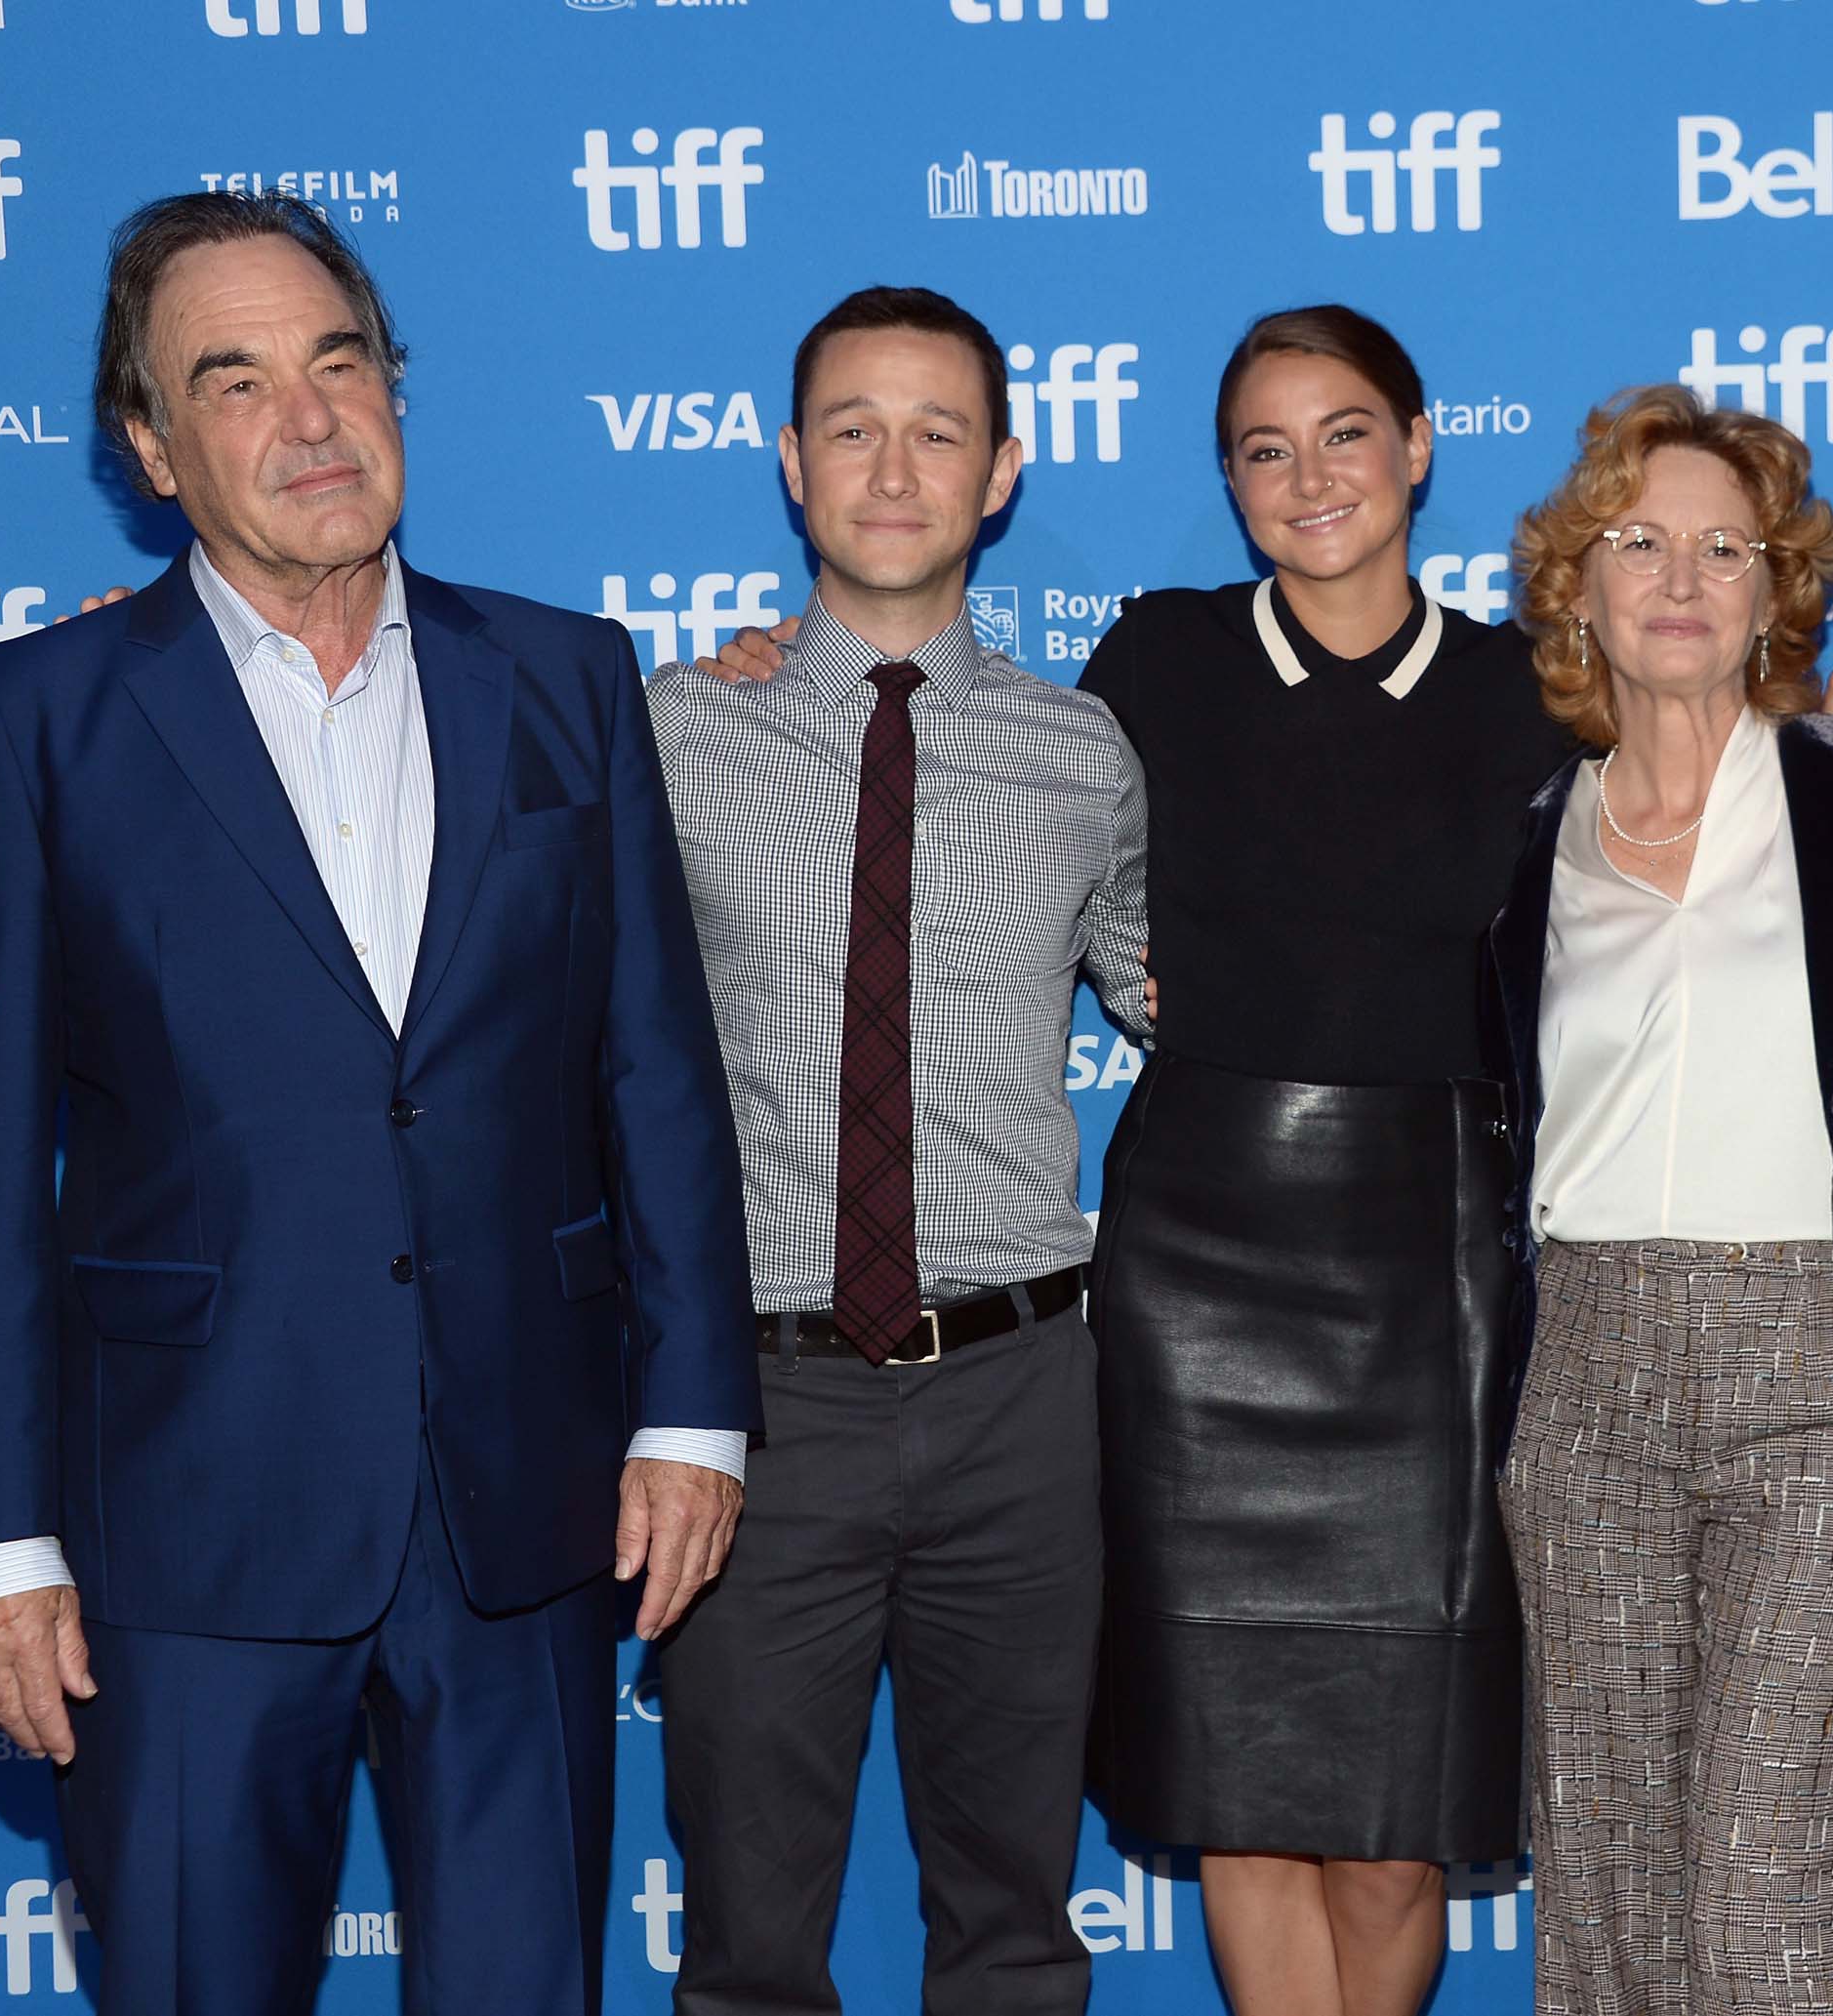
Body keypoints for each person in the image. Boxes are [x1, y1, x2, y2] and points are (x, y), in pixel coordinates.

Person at [0, 191, 755, 2016]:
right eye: (236, 380)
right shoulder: (36, 718)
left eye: (340, 361)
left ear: (394, 390)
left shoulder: (565, 676)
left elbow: (654, 1069)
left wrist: (692, 1416)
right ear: (147, 446)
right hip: (186, 1527)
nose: (310, 420)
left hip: (524, 1507)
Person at [646, 285, 1152, 2016]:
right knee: (748, 1946)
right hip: (757, 1401)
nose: (893, 464)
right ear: (790, 463)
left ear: (1003, 471)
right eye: (852, 425)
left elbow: (1195, 985)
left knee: (1013, 1927)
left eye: (939, 429)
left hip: (1025, 1395)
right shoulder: (671, 731)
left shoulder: (1083, 753)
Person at [1073, 307, 1574, 2016]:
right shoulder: (1157, 658)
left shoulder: (1529, 690)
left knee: (1385, 1816)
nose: (1310, 477)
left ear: (1419, 446)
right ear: (1226, 479)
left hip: (1433, 1267)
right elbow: (1002, 813)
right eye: (1264, 449)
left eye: (1345, 432)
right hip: (1197, 1255)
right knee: (1246, 1796)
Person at [1485, 388, 1833, 2014]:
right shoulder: (1529, 837)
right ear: (1579, 583)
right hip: (1585, 1388)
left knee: (1760, 1914)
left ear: (1772, 592)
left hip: (1824, 1385)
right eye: (1641, 541)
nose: (1679, 576)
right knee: (1610, 1923)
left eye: (1723, 547)